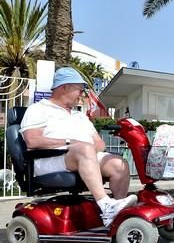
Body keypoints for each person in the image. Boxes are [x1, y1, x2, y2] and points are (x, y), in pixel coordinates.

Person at [19, 67, 137, 227]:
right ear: (64, 87)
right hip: (50, 160)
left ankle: (116, 214)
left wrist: (88, 149)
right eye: (79, 90)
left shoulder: (80, 115)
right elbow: (32, 140)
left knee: (119, 164)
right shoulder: (38, 109)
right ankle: (105, 204)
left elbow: (100, 143)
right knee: (84, 148)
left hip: (83, 157)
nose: (82, 95)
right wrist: (71, 142)